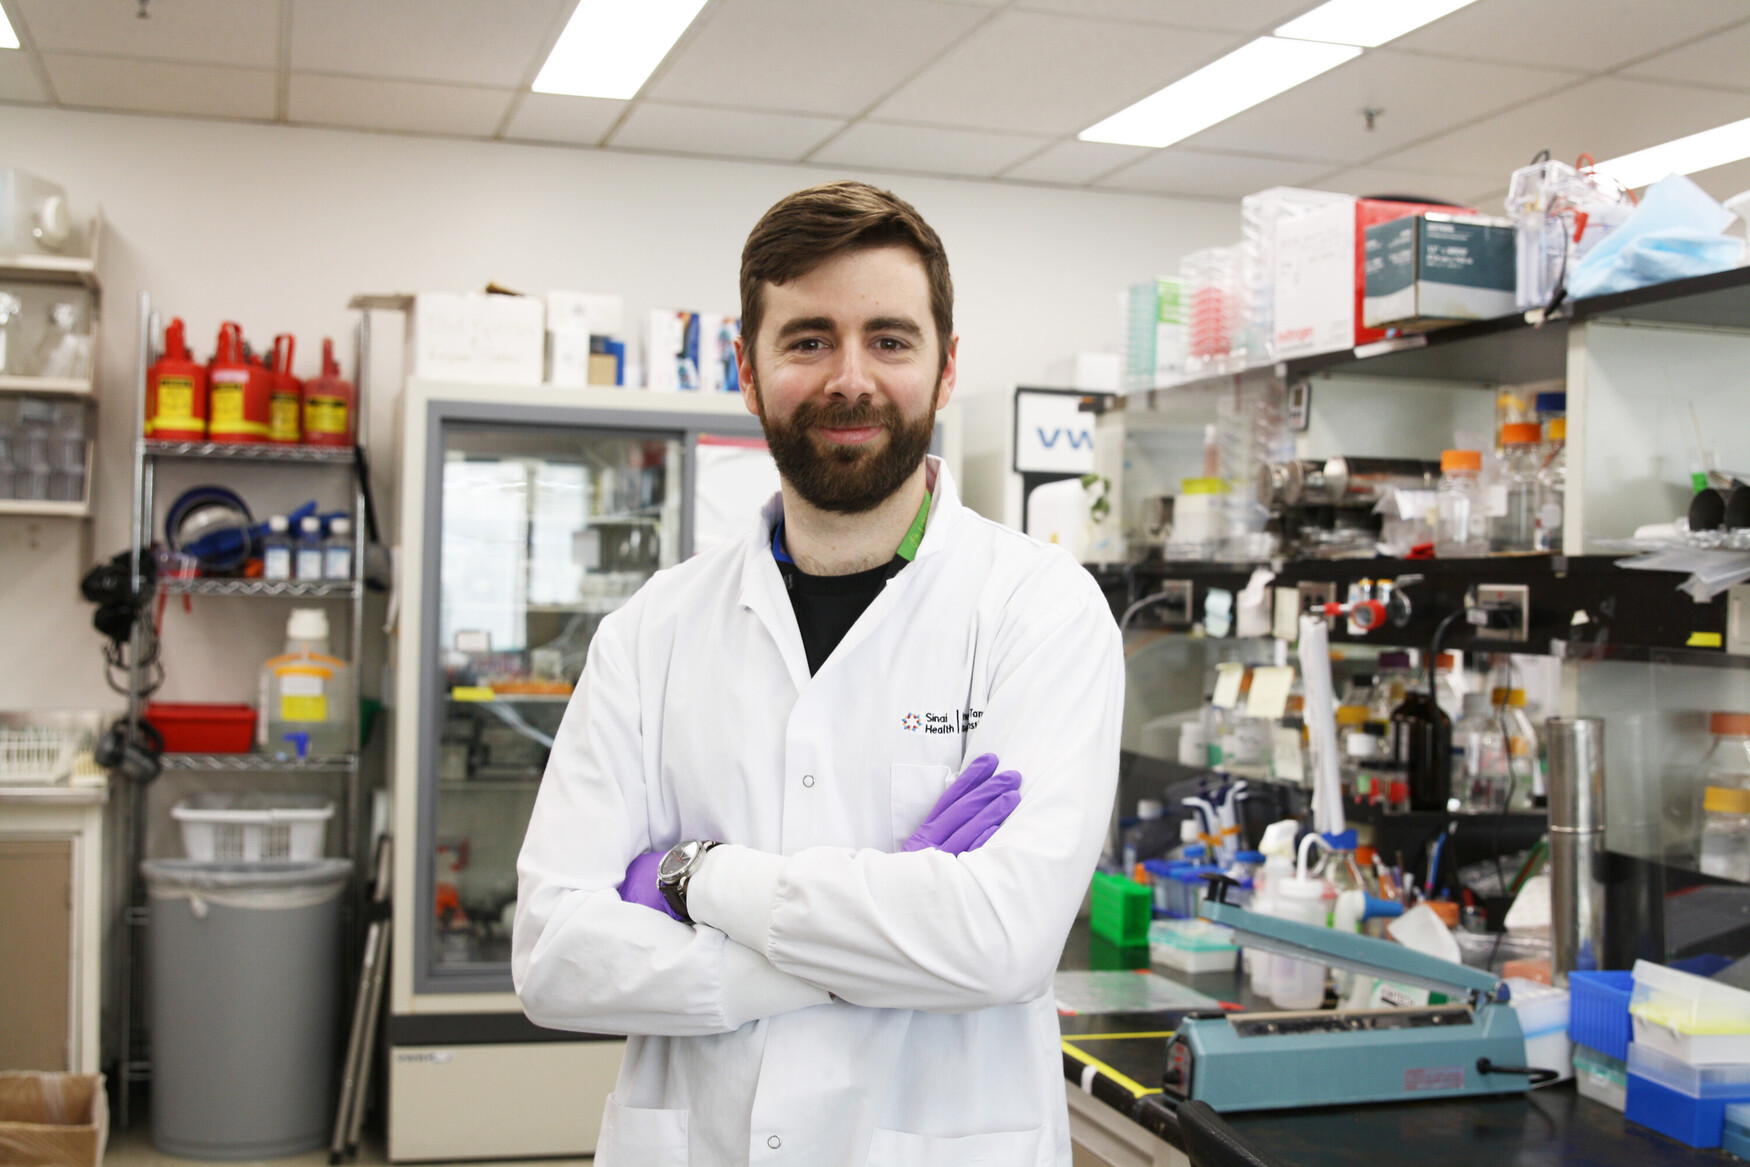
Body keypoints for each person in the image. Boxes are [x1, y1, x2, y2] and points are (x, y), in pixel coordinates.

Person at [513, 180, 1123, 1167]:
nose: (850, 378)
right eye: (806, 340)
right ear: (748, 372)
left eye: (889, 338)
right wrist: (886, 919)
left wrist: (695, 879)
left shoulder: (1037, 611)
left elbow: (1002, 942)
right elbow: (552, 959)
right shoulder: (650, 631)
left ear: (944, 365)